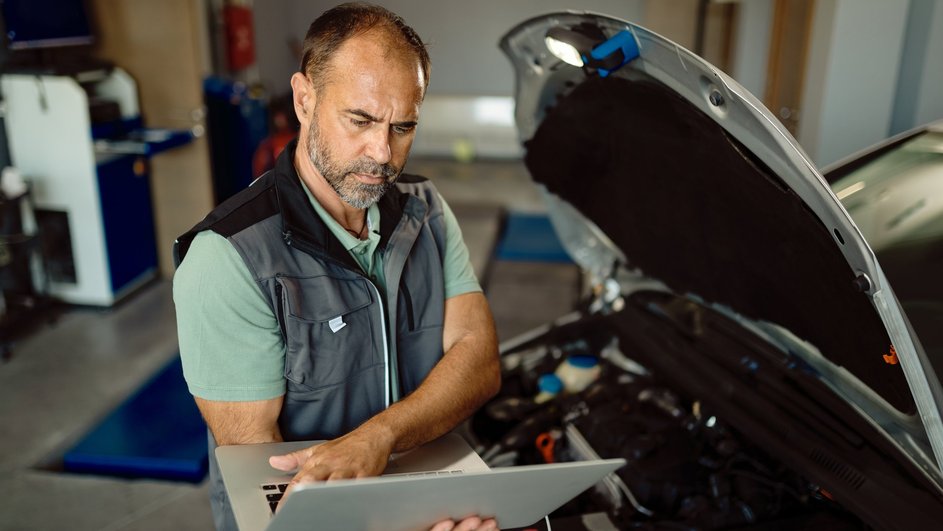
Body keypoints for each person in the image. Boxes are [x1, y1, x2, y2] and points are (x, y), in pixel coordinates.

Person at [172, 3, 501, 530]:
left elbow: (478, 361)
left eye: (403, 126)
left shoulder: (427, 210)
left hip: (427, 503)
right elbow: (265, 470)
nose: (382, 153)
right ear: (305, 100)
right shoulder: (228, 257)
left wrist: (382, 436)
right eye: (361, 119)